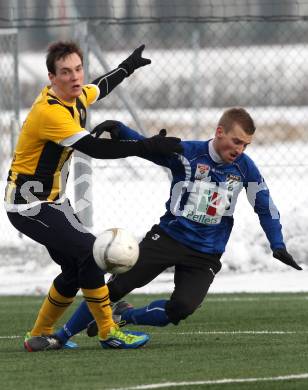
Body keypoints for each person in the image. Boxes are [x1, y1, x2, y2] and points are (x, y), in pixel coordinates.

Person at [51, 108, 302, 345]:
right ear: (219, 132)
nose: (240, 149)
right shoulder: (188, 153)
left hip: (206, 253)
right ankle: (61, 336)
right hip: (169, 237)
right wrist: (122, 130)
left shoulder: (245, 168)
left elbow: (265, 206)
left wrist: (277, 244)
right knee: (117, 286)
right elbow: (147, 147)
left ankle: (126, 316)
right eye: (236, 141)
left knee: (181, 308)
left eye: (246, 144)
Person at [4, 41, 183, 351]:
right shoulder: (50, 112)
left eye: (78, 69)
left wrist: (126, 67)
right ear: (51, 77)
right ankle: (108, 331)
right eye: (65, 72)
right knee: (92, 252)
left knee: (75, 270)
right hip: (29, 206)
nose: (75, 77)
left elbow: (99, 87)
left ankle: (40, 335)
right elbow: (95, 148)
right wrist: (147, 146)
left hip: (53, 202)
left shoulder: (76, 96)